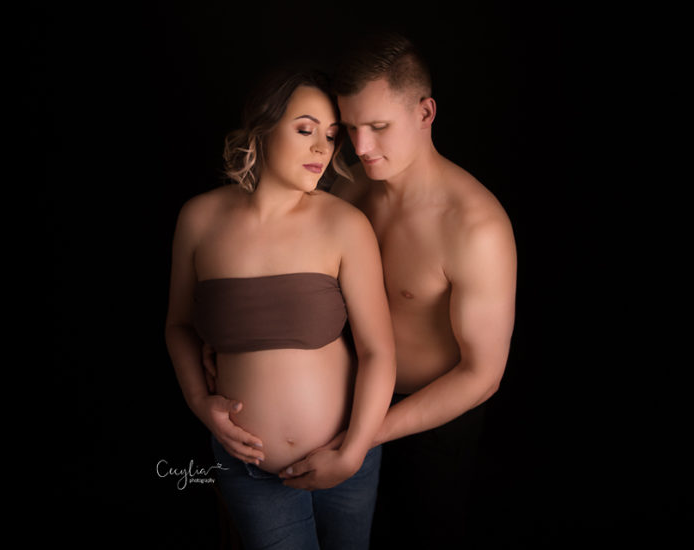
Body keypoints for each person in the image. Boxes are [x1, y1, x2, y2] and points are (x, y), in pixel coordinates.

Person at [278, 32, 518, 546]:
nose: (362, 147)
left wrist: (363, 438)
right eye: (351, 128)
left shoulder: (476, 228)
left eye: (379, 127)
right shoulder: (351, 187)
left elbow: (482, 374)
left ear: (426, 112)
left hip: (428, 420)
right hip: (340, 398)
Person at [164, 68, 396, 550]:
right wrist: (199, 403)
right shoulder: (199, 219)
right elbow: (179, 326)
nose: (322, 148)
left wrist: (352, 452)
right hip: (249, 468)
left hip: (345, 457)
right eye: (305, 129)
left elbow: (378, 351)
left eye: (331, 135)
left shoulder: (345, 224)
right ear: (263, 128)